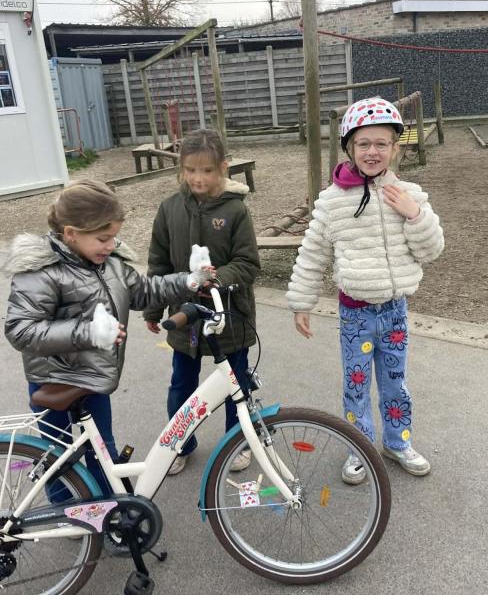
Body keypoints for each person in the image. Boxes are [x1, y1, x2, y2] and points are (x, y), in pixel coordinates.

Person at [4, 179, 210, 496]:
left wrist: (189, 281)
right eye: (103, 238)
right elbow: (21, 330)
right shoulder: (41, 271)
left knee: (103, 449)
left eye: (114, 237)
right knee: (57, 456)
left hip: (94, 376)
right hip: (53, 380)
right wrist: (88, 332)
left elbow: (144, 291)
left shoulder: (109, 264)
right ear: (71, 233)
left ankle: (108, 508)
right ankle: (63, 510)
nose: (111, 245)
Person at [286, 97, 444, 484]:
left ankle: (397, 442)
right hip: (355, 313)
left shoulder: (408, 195)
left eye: (381, 144)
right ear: (349, 148)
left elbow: (431, 250)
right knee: (356, 385)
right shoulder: (332, 202)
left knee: (395, 383)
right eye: (363, 144)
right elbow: (313, 253)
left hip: (394, 311)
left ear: (396, 148)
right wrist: (302, 302)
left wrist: (414, 214)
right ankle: (360, 448)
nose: (372, 152)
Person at [143, 128, 260, 476]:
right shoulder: (169, 209)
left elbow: (248, 263)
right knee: (182, 384)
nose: (198, 178)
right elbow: (159, 263)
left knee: (235, 384)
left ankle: (237, 442)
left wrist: (217, 278)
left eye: (207, 170)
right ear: (181, 169)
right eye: (191, 170)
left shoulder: (236, 210)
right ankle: (180, 444)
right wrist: (153, 307)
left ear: (223, 167)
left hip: (230, 314)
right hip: (185, 316)